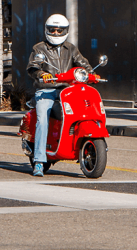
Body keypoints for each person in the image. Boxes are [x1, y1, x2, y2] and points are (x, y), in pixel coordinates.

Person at [25, 14, 91, 177]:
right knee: (43, 119)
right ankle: (39, 161)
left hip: (67, 90)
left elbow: (83, 64)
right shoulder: (39, 48)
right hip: (46, 89)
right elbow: (32, 67)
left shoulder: (71, 48)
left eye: (59, 30)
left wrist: (91, 73)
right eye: (52, 30)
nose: (55, 33)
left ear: (65, 31)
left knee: (83, 112)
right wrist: (41, 73)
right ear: (47, 30)